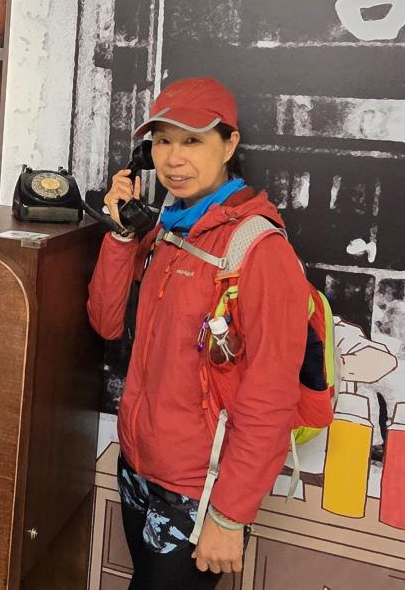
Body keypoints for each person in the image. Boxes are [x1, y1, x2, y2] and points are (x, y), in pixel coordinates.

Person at [86, 77, 312, 589]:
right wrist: (122, 233)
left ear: (229, 145)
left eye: (193, 140)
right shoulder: (168, 229)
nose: (173, 159)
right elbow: (105, 321)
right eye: (163, 141)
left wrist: (230, 515)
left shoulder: (260, 249)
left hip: (197, 491)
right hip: (138, 468)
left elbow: (273, 394)